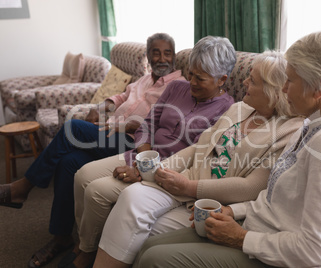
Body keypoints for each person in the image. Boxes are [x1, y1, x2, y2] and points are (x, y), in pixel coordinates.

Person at [132, 30, 321, 268]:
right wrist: (232, 211)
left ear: (319, 88)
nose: (285, 89)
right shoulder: (314, 122)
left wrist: (240, 238)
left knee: (154, 259)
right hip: (255, 228)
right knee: (148, 247)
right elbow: (276, 201)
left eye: (290, 80)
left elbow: (320, 250)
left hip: (275, 255)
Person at [89, 50, 304, 268]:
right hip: (186, 179)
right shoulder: (239, 109)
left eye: (253, 80)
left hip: (211, 201)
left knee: (145, 233)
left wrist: (189, 187)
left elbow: (251, 187)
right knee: (131, 196)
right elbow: (197, 148)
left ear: (273, 90)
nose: (246, 82)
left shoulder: (288, 131)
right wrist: (159, 171)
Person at [0, 33, 186, 268]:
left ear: (174, 57)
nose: (162, 58)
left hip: (133, 143)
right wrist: (102, 106)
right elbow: (121, 96)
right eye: (156, 52)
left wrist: (126, 125)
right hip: (111, 134)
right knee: (68, 161)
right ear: (148, 56)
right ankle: (61, 237)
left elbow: (164, 125)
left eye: (167, 53)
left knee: (73, 127)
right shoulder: (143, 80)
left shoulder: (177, 86)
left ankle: (23, 187)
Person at [58, 35, 237, 268]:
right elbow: (147, 125)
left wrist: (145, 172)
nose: (191, 81)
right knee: (82, 174)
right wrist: (142, 158)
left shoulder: (228, 111)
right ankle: (85, 245)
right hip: (142, 155)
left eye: (200, 78)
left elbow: (197, 158)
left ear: (222, 79)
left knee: (95, 191)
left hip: (168, 172)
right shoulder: (176, 87)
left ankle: (87, 251)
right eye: (190, 73)